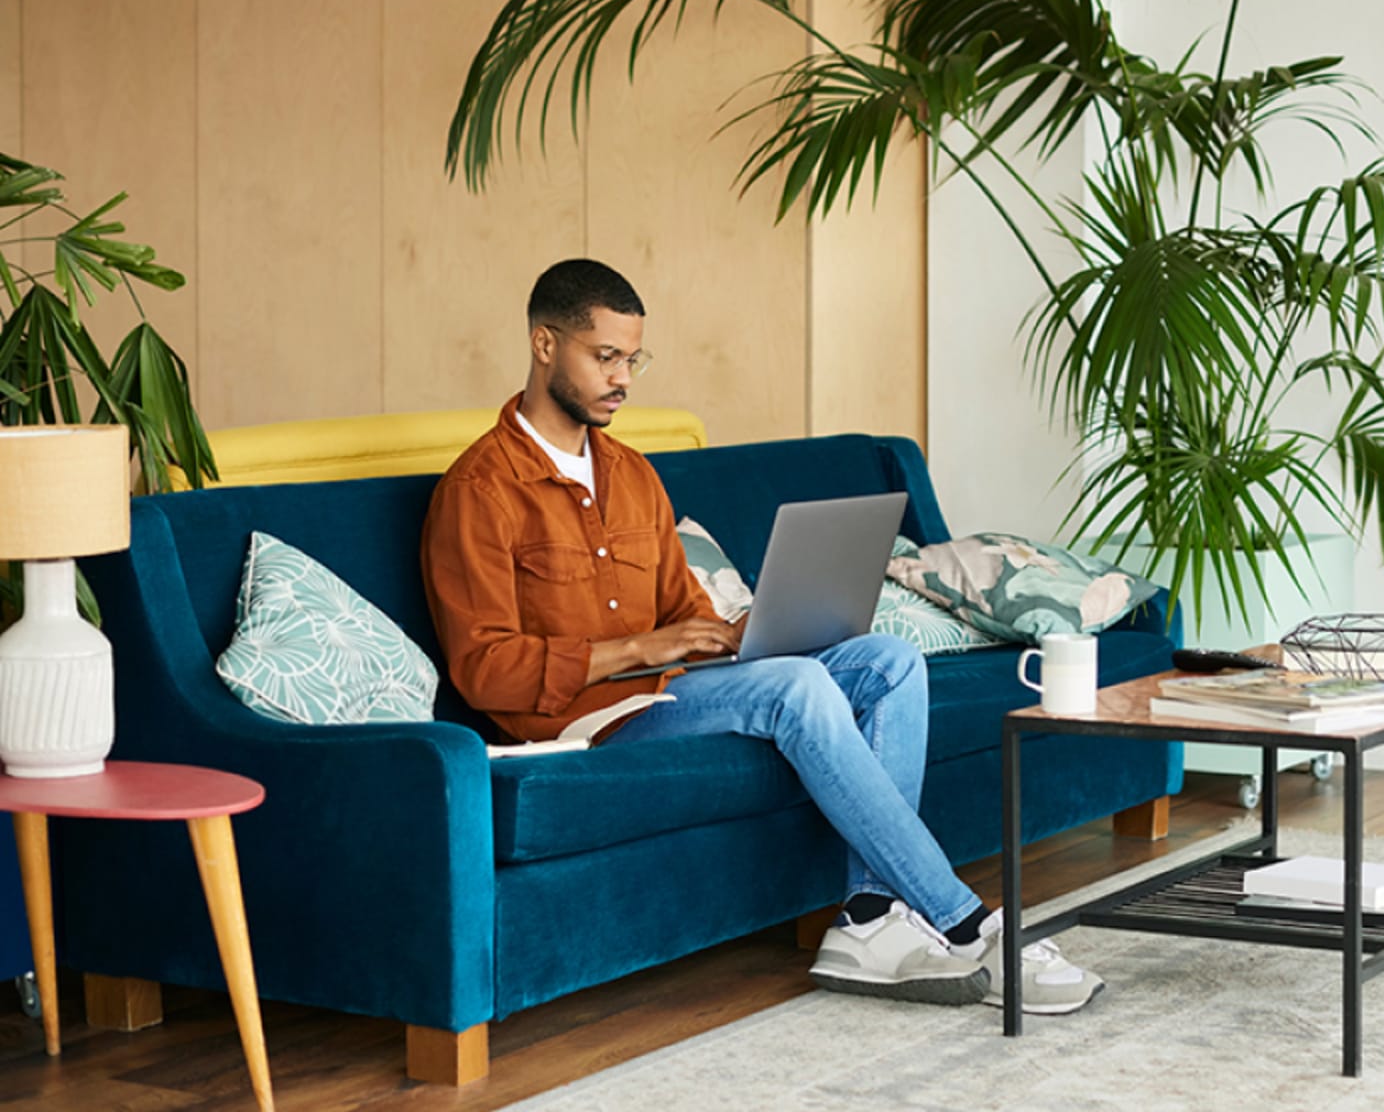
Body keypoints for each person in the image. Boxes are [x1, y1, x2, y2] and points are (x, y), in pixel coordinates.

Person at [420, 258, 1102, 1014]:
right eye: (604, 357)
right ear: (545, 345)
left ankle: (871, 916)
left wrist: (754, 629)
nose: (623, 379)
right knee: (799, 687)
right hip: (584, 721)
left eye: (633, 359)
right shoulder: (479, 491)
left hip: (674, 691)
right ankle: (965, 921)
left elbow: (683, 615)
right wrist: (642, 649)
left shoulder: (633, 474)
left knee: (888, 661)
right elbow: (485, 672)